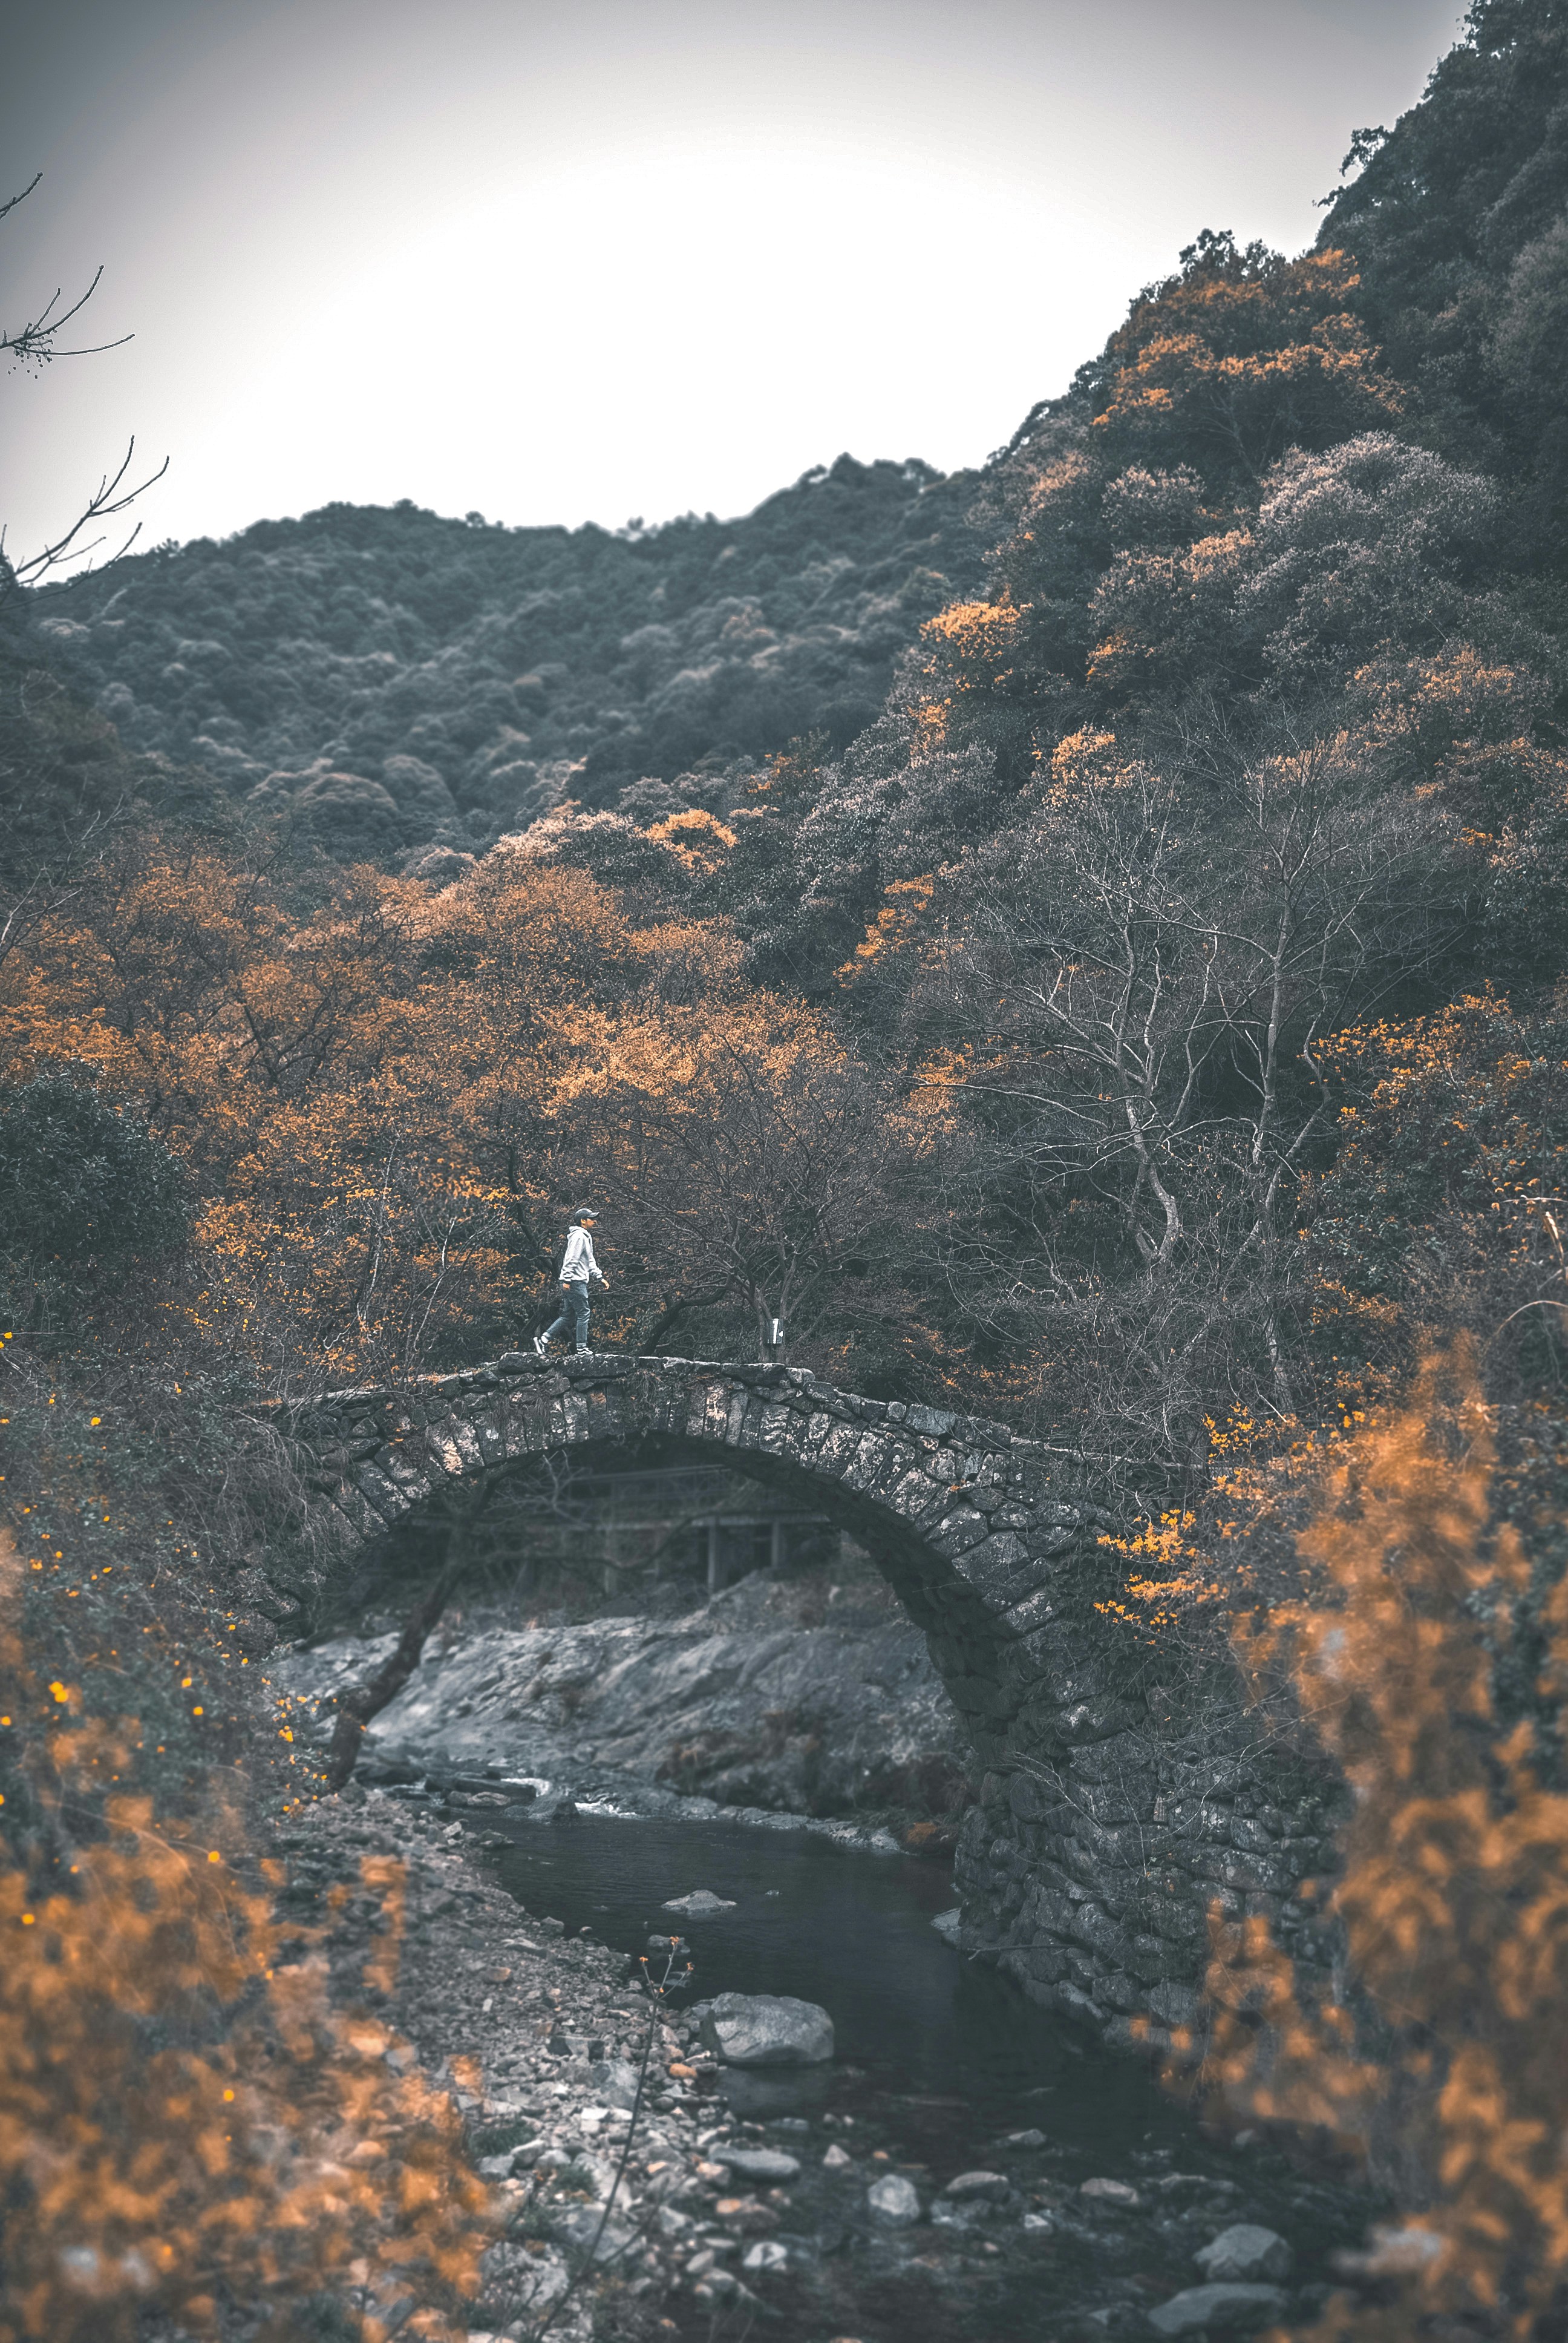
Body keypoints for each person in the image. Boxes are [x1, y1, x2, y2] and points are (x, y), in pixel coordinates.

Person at [534, 1205, 607, 1356]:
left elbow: (589, 1261)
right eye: (592, 1219)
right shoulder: (579, 1236)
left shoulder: (584, 1236)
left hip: (574, 1281)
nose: (594, 1222)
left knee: (568, 1315)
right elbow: (571, 1260)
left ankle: (544, 1339)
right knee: (584, 1313)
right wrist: (567, 1279)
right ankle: (582, 1348)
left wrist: (599, 1277)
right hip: (575, 1281)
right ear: (583, 1221)